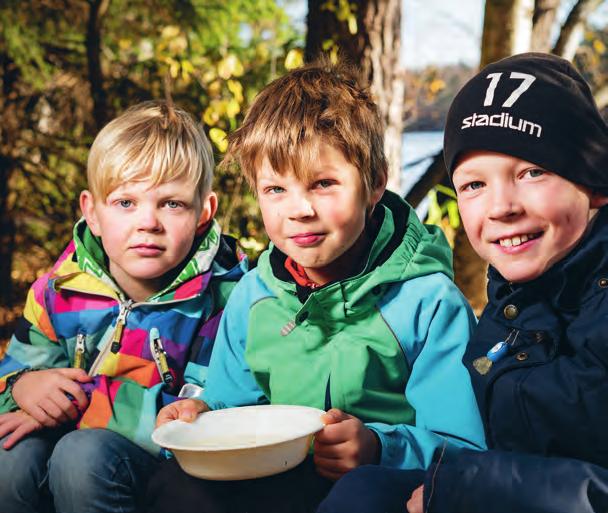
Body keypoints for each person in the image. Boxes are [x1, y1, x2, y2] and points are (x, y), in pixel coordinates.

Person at [145, 60, 485, 513]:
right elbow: (233, 405)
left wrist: (377, 446)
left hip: (380, 485)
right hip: (279, 481)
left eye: (323, 184)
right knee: (173, 488)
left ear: (375, 183)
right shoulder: (255, 296)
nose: (299, 209)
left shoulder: (427, 302)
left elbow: (462, 445)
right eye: (275, 190)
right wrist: (201, 415)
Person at [317, 52, 608, 513]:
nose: (501, 207)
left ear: (595, 182)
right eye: (474, 185)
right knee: (363, 493)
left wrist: (470, 488)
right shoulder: (512, 302)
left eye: (532, 172)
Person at [0, 100, 246, 513]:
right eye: (125, 203)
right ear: (92, 212)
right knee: (10, 455)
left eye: (171, 204)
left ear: (204, 213)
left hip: (156, 474)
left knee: (82, 457)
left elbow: (200, 419)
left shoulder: (226, 299)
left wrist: (87, 401)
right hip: (61, 455)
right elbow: (10, 381)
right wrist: (23, 385)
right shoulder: (57, 292)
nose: (148, 222)